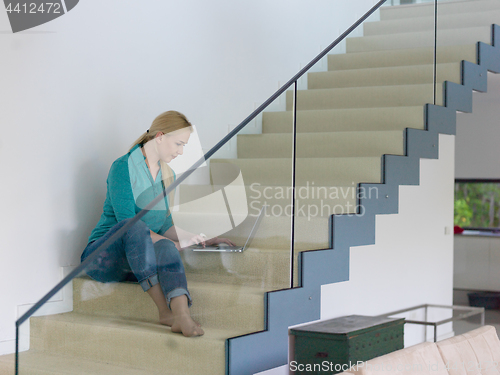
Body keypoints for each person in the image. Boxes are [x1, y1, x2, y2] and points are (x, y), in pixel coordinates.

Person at [81, 110, 234, 337]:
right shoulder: (123, 167)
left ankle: (181, 315)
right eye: (178, 144)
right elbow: (127, 224)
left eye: (184, 146)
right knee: (138, 229)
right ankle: (164, 310)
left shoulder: (167, 174)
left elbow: (164, 226)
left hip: (135, 263)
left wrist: (200, 238)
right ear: (160, 136)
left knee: (163, 245)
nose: (181, 152)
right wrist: (171, 244)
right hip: (103, 258)